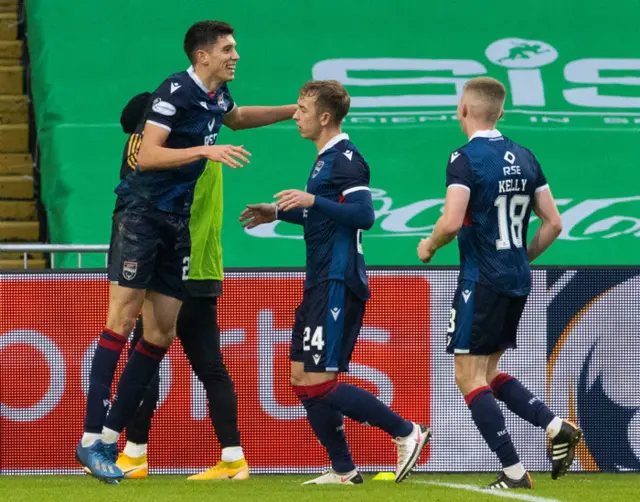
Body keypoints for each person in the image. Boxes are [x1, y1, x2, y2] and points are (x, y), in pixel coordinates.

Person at [77, 20, 295, 483]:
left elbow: (237, 118)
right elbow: (148, 156)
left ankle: (115, 442)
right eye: (228, 49)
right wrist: (203, 152)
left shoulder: (217, 99)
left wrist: (291, 110)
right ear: (203, 56)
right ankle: (92, 437)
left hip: (176, 224)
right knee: (121, 321)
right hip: (141, 216)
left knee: (160, 334)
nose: (236, 56)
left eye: (236, 48)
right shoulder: (174, 91)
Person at [239, 80, 430, 485]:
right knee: (299, 377)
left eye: (303, 109)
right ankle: (344, 470)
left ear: (325, 117)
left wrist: (311, 201)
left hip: (338, 281)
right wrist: (278, 211)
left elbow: (363, 215)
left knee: (320, 381)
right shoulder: (324, 159)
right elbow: (324, 214)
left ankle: (406, 431)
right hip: (320, 280)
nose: (296, 115)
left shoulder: (346, 159)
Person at [417, 76, 582, 489]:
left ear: (464, 111)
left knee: (467, 376)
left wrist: (429, 246)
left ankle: (513, 470)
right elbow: (554, 223)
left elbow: (452, 222)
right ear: (501, 112)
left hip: (481, 279)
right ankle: (554, 425)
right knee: (488, 372)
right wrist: (520, 258)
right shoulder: (526, 156)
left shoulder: (464, 158)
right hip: (516, 279)